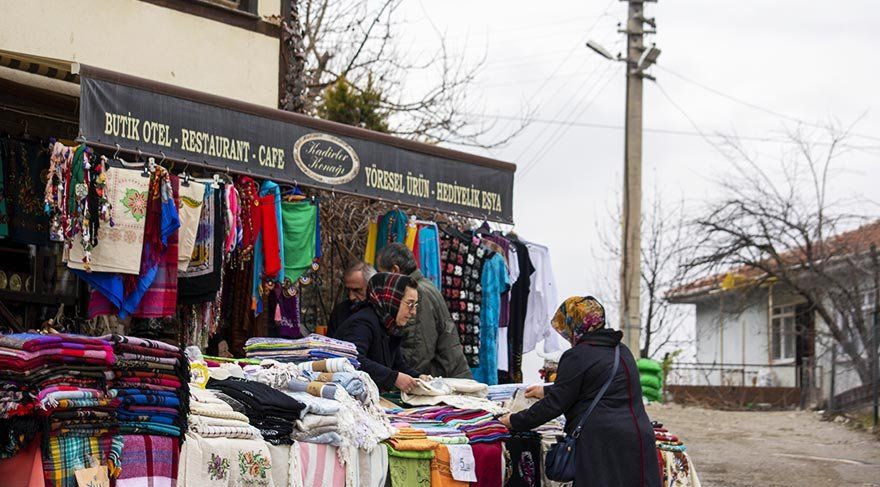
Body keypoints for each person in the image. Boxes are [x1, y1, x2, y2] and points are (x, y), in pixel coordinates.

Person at [499, 296, 660, 487]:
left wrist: (513, 420)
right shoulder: (621, 351)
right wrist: (545, 390)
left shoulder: (577, 356)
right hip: (638, 439)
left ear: (573, 324)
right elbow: (593, 385)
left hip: (602, 444)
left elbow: (554, 405)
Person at [376, 243, 471, 379]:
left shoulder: (417, 293)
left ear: (395, 270)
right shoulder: (423, 286)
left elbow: (416, 351)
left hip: (442, 383)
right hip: (445, 378)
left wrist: (398, 378)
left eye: (381, 273)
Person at [335, 272, 423, 392]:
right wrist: (393, 377)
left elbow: (398, 364)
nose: (413, 312)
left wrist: (419, 378)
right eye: (410, 304)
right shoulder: (363, 322)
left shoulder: (389, 326)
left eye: (415, 305)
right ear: (392, 299)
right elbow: (353, 360)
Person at [327, 261, 376, 338]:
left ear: (371, 287)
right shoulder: (340, 311)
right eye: (348, 290)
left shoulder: (381, 314)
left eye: (357, 290)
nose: (351, 297)